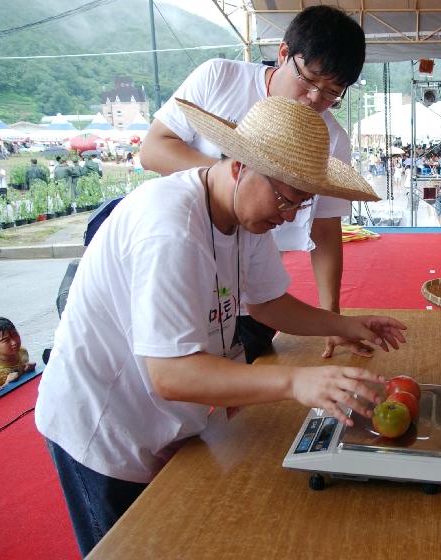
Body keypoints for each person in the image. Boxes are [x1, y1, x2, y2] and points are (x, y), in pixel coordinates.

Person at [35, 95, 399, 557]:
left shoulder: (246, 216)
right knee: (127, 553)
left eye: (300, 205)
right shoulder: (170, 229)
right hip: (105, 426)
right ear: (240, 166)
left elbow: (267, 303)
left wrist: (344, 325)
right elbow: (171, 375)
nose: (287, 216)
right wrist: (295, 380)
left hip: (167, 420)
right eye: (285, 199)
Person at [141, 5, 365, 364]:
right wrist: (239, 180)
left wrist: (333, 318)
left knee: (238, 383)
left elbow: (324, 228)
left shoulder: (329, 138)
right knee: (178, 366)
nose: (314, 99)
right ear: (283, 54)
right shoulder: (219, 78)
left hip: (252, 282)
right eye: (309, 81)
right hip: (187, 262)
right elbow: (153, 149)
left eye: (331, 94)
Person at [0, 317, 36, 393]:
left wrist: (29, 370)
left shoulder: (22, 352)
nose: (14, 342)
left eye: (15, 335)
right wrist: (6, 384)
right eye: (6, 340)